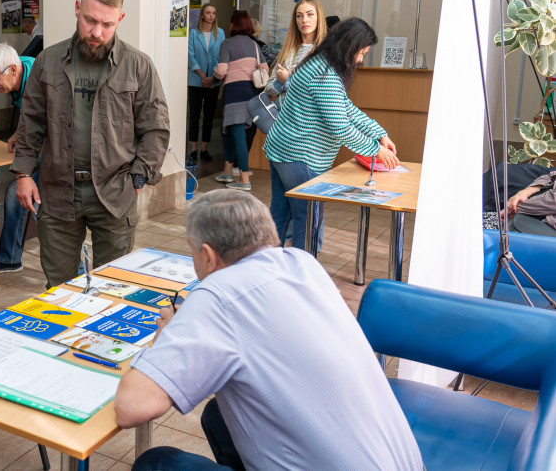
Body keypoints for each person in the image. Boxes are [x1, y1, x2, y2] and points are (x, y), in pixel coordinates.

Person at [115, 190, 423, 471]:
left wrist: (167, 337)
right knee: (218, 415)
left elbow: (131, 409)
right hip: (404, 464)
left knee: (156, 464)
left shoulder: (217, 295)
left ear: (208, 256)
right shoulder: (302, 263)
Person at [11, 0, 170, 289]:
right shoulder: (48, 62)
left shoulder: (138, 65)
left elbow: (156, 128)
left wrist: (140, 176)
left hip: (115, 191)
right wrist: (23, 174)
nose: (97, 32)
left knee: (113, 288)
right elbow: (31, 121)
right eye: (89, 20)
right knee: (58, 289)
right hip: (58, 193)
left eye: (107, 24)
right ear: (76, 9)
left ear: (120, 19)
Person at [264, 17, 399, 251]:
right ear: (349, 46)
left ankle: (267, 269)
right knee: (307, 220)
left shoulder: (318, 62)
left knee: (280, 216)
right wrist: (376, 149)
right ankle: (301, 275)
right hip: (299, 156)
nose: (360, 59)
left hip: (282, 149)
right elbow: (341, 126)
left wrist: (379, 134)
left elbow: (345, 108)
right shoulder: (325, 74)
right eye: (361, 53)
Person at [0, 42, 35, 272]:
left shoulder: (38, 81)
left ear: (12, 70)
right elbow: (30, 116)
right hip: (40, 147)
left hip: (60, 156)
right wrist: (17, 133)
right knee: (16, 193)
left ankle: (78, 271)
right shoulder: (24, 72)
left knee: (24, 195)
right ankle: (9, 257)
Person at [212, 11, 267, 191]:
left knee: (238, 136)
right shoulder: (253, 45)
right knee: (226, 132)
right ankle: (228, 171)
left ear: (234, 25)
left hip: (234, 95)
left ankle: (244, 179)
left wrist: (214, 76)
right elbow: (264, 68)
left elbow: (221, 70)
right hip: (251, 95)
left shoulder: (227, 44)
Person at [264, 0, 327, 102]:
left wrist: (287, 80)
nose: (304, 20)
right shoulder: (288, 51)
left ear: (319, 17)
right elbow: (268, 89)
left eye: (310, 14)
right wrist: (280, 82)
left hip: (307, 117)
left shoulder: (324, 52)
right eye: (299, 16)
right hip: (282, 116)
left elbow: (323, 95)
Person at [187, 3, 224, 162]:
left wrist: (211, 78)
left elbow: (221, 57)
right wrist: (202, 76)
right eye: (208, 13)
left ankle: (205, 149)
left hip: (213, 81)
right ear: (202, 15)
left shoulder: (220, 33)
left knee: (209, 116)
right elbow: (190, 55)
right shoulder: (194, 33)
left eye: (214, 13)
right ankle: (194, 148)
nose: (211, 16)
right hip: (196, 80)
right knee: (194, 115)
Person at [502, 169, 556, 237]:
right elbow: (551, 175)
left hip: (546, 229)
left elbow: (551, 201)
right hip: (531, 214)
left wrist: (512, 206)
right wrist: (528, 190)